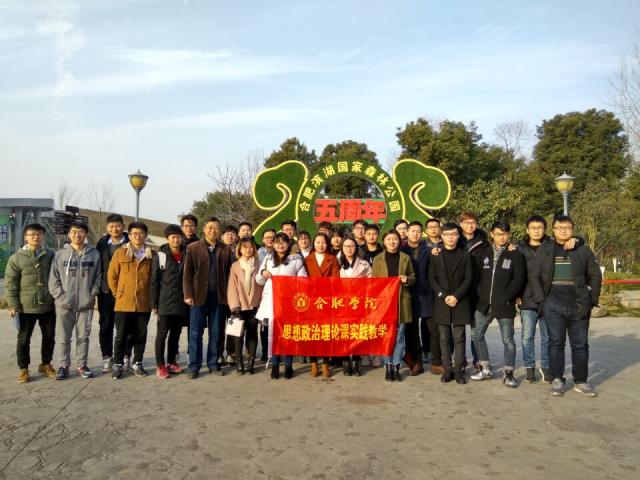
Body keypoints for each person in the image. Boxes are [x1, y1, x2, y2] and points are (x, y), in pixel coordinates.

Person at [530, 215, 602, 397]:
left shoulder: (583, 250)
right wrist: (542, 300)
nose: (563, 230)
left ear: (573, 229)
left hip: (579, 306)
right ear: (553, 230)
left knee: (580, 345)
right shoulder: (545, 249)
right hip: (552, 305)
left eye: (567, 227)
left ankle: (581, 381)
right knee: (556, 343)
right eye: (559, 227)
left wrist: (591, 300)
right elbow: (535, 276)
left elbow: (595, 276)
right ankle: (557, 379)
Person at [470, 221, 527, 388]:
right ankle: (485, 368)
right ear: (492, 234)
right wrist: (480, 294)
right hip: (484, 304)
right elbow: (477, 276)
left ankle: (509, 373)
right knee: (476, 334)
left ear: (509, 235)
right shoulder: (484, 253)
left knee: (508, 340)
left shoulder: (516, 254)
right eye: (498, 234)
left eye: (505, 234)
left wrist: (506, 296)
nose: (502, 237)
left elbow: (519, 279)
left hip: (504, 304)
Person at [49, 221, 101, 380]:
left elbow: (98, 277)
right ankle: (63, 366)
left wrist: (91, 295)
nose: (77, 234)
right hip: (63, 305)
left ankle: (81, 365)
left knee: (83, 337)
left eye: (80, 231)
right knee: (63, 337)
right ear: (69, 234)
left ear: (85, 234)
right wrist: (62, 297)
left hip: (86, 305)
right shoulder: (60, 255)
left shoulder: (94, 254)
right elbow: (53, 280)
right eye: (74, 232)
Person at [183, 216, 233, 379]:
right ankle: (194, 366)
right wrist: (188, 294)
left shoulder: (226, 249)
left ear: (220, 231)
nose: (213, 230)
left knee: (216, 332)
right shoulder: (193, 248)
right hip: (198, 296)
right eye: (210, 227)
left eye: (216, 228)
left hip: (219, 297)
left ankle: (213, 363)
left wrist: (230, 297)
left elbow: (231, 274)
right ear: (204, 229)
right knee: (195, 333)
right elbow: (187, 274)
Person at [5, 223, 56, 383]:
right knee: (24, 339)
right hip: (25, 306)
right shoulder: (16, 258)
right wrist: (13, 305)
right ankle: (23, 369)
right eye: (32, 234)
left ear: (43, 236)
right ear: (25, 237)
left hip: (48, 304)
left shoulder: (51, 255)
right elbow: (11, 283)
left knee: (49, 336)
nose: (36, 237)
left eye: (39, 234)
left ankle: (45, 364)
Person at [255, 232, 307, 379]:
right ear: (273, 244)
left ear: (288, 243)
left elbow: (303, 280)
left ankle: (289, 365)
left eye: (283, 242)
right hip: (271, 302)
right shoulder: (268, 259)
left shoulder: (296, 259)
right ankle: (275, 364)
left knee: (288, 334)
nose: (280, 245)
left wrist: (292, 286)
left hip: (288, 303)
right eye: (277, 242)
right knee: (274, 334)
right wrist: (263, 273)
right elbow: (258, 280)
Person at [108, 222, 155, 379]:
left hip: (143, 302)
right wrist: (118, 293)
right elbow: (112, 276)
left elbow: (154, 279)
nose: (137, 236)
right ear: (129, 235)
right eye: (134, 233)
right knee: (121, 335)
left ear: (146, 236)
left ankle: (137, 362)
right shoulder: (120, 253)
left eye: (141, 233)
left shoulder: (151, 255)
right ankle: (118, 364)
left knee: (141, 334)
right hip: (123, 302)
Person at [428, 223, 474, 385]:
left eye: (454, 234)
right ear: (441, 236)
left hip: (460, 301)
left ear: (458, 235)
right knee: (444, 337)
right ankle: (448, 369)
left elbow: (469, 278)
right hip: (442, 301)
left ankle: (459, 370)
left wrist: (456, 296)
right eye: (447, 234)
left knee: (459, 338)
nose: (451, 237)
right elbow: (432, 278)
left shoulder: (465, 255)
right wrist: (443, 296)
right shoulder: (435, 255)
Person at [372, 229, 415, 381]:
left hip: (401, 301)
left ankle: (396, 366)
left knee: (399, 336)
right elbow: (374, 281)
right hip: (385, 303)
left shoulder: (405, 258)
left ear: (399, 241)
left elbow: (413, 277)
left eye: (395, 239)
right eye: (389, 239)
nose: (392, 242)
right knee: (386, 336)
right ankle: (388, 365)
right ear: (384, 242)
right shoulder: (378, 259)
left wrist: (407, 279)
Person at [150, 224, 188, 379]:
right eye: (173, 237)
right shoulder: (161, 256)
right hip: (165, 301)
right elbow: (154, 281)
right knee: (162, 334)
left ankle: (172, 362)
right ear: (167, 238)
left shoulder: (186, 253)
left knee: (176, 334)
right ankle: (160, 365)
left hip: (181, 302)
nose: (176, 239)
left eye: (178, 236)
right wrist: (154, 303)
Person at [517, 215, 552, 384]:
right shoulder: (519, 249)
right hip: (527, 298)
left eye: (540, 227)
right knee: (527, 336)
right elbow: (515, 274)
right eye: (533, 227)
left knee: (548, 337)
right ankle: (529, 367)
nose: (536, 230)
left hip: (549, 298)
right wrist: (517, 295)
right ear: (527, 230)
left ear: (545, 229)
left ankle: (546, 366)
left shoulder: (552, 247)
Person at [96, 213, 130, 373]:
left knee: (125, 326)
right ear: (107, 228)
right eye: (111, 226)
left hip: (126, 291)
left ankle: (125, 356)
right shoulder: (102, 244)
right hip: (106, 292)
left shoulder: (131, 242)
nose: (114, 229)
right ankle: (107, 357)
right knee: (105, 325)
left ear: (123, 226)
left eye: (117, 226)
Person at [400, 221, 434, 376]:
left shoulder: (430, 251)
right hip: (407, 295)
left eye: (418, 231)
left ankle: (435, 359)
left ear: (422, 233)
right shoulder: (401, 250)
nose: (415, 234)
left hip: (426, 294)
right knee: (411, 331)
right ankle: (416, 360)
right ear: (406, 233)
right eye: (412, 231)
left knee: (432, 329)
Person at [304, 232, 340, 378]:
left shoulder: (332, 259)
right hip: (311, 300)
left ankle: (325, 363)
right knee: (312, 332)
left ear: (328, 244)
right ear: (314, 244)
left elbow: (336, 279)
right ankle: (313, 362)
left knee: (325, 332)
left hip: (326, 299)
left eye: (324, 242)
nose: (321, 245)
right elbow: (303, 279)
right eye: (318, 242)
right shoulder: (307, 259)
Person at [227, 237, 263, 374]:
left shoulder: (259, 264)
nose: (248, 250)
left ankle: (251, 362)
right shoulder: (235, 266)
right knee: (238, 335)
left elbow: (262, 286)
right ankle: (239, 362)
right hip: (240, 306)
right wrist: (235, 307)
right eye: (245, 247)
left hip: (254, 305)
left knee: (252, 334)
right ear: (240, 249)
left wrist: (261, 305)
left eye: (250, 247)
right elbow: (232, 287)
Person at [339, 236, 372, 376]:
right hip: (341, 304)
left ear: (356, 248)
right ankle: (346, 361)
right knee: (344, 332)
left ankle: (356, 361)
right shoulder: (337, 264)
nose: (349, 248)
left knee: (357, 332)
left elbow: (371, 283)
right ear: (342, 248)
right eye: (346, 246)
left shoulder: (364, 264)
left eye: (352, 246)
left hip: (359, 302)